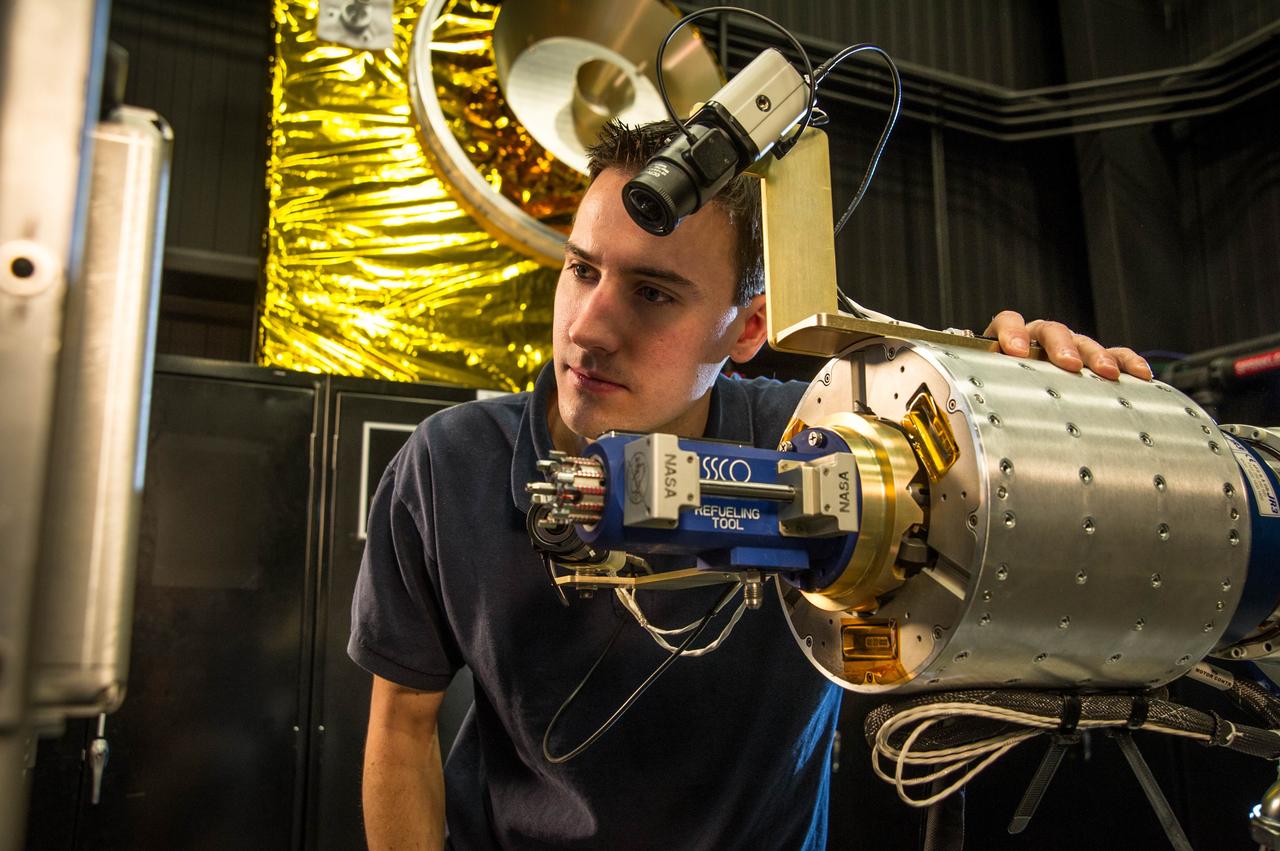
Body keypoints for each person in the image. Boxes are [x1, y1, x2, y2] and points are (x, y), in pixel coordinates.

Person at [349, 120, 1152, 851]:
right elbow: (401, 725)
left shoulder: (828, 442)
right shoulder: (445, 467)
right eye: (582, 269)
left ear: (749, 328)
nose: (589, 328)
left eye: (653, 292)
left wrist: (1038, 411)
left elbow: (1010, 509)